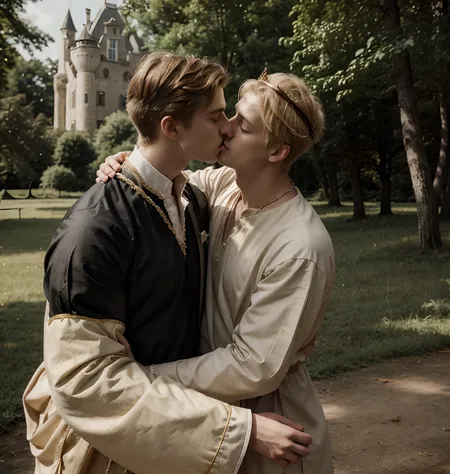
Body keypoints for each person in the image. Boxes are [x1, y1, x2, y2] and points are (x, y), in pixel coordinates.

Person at [23, 53, 313, 474]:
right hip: (106, 453)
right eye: (216, 117)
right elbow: (84, 383)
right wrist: (241, 430)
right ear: (172, 127)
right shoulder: (93, 230)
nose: (227, 126)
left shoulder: (193, 198)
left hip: (174, 439)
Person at [98, 68, 335, 473]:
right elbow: (165, 175)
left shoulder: (299, 247)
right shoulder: (223, 184)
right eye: (228, 117)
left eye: (241, 125)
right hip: (201, 410)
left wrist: (145, 376)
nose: (224, 129)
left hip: (269, 423)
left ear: (277, 151)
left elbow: (253, 366)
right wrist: (127, 163)